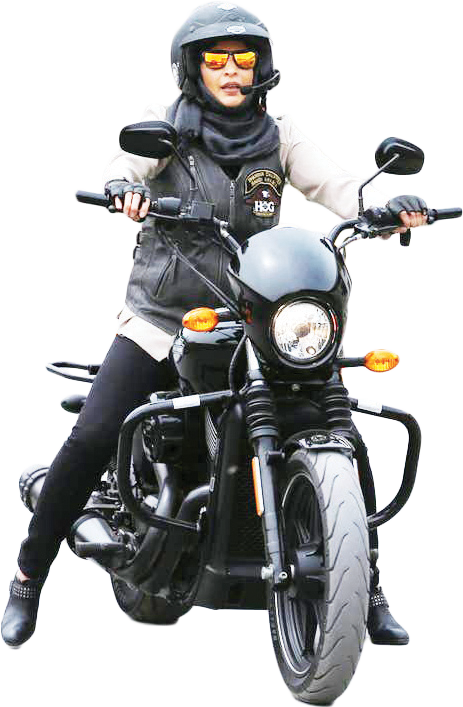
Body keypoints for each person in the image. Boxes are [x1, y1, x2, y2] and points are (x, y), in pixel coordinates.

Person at [1, 0, 426, 649]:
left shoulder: (277, 134)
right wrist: (123, 190)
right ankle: (29, 577)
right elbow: (122, 165)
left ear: (261, 66)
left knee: (340, 428)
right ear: (191, 69)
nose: (231, 70)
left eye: (243, 57)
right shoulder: (166, 125)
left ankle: (366, 589)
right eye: (215, 59)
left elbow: (338, 186)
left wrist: (385, 205)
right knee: (93, 434)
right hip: (163, 318)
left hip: (256, 316)